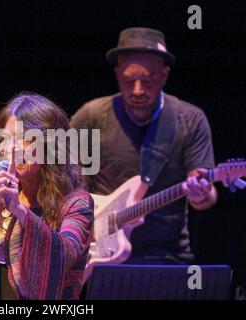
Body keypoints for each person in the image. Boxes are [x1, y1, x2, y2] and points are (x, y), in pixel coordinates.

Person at [70, 27, 217, 265]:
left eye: (147, 81)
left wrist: (201, 193)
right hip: (98, 253)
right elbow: (59, 175)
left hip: (167, 256)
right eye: (128, 81)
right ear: (117, 74)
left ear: (164, 75)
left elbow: (206, 196)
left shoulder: (190, 120)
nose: (137, 90)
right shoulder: (93, 115)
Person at [0, 92, 94, 300]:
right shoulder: (4, 198)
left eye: (24, 140)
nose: (11, 149)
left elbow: (65, 255)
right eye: (5, 139)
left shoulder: (76, 202)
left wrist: (18, 210)